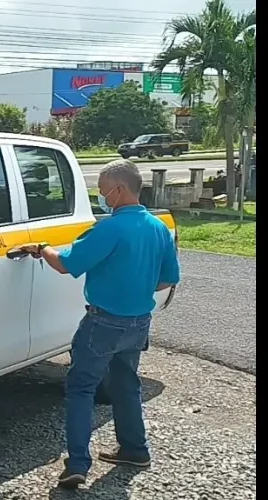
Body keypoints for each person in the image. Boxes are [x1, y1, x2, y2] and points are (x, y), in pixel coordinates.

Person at [17, 159, 180, 489]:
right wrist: (134, 286)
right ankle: (135, 449)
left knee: (80, 388)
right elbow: (166, 281)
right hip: (138, 323)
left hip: (103, 323)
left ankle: (77, 464)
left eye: (103, 191)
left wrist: (42, 248)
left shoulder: (110, 229)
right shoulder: (158, 228)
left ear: (119, 190)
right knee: (126, 384)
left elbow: (66, 264)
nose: (102, 196)